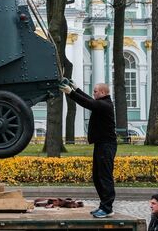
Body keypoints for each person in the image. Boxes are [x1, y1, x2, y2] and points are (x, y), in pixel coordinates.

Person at [60, 81, 116, 218]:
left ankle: (107, 208)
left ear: (103, 92)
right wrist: (76, 88)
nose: (94, 93)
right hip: (101, 145)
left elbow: (88, 103)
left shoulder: (105, 105)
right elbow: (90, 101)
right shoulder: (101, 103)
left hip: (106, 145)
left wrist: (71, 93)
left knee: (104, 177)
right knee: (97, 177)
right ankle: (104, 206)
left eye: (95, 91)